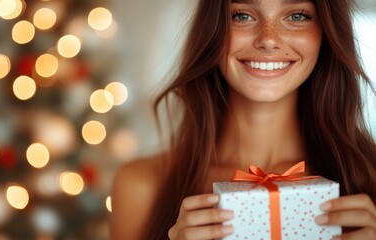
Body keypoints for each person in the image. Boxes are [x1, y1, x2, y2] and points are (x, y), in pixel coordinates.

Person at [110, 0, 376, 239]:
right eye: (242, 16)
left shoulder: (370, 175)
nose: (269, 40)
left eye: (296, 15)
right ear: (212, 30)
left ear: (326, 32)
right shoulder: (140, 187)